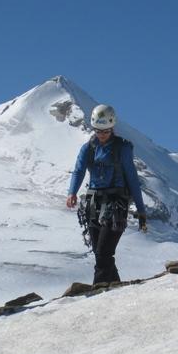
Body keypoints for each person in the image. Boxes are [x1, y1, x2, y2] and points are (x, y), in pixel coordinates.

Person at [66, 104, 147, 284]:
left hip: (116, 205)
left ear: (112, 128)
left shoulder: (122, 148)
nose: (102, 135)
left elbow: (132, 178)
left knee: (103, 253)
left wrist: (141, 210)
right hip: (94, 205)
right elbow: (79, 171)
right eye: (98, 131)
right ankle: (116, 289)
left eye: (106, 131)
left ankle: (98, 291)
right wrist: (72, 192)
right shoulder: (88, 149)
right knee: (100, 253)